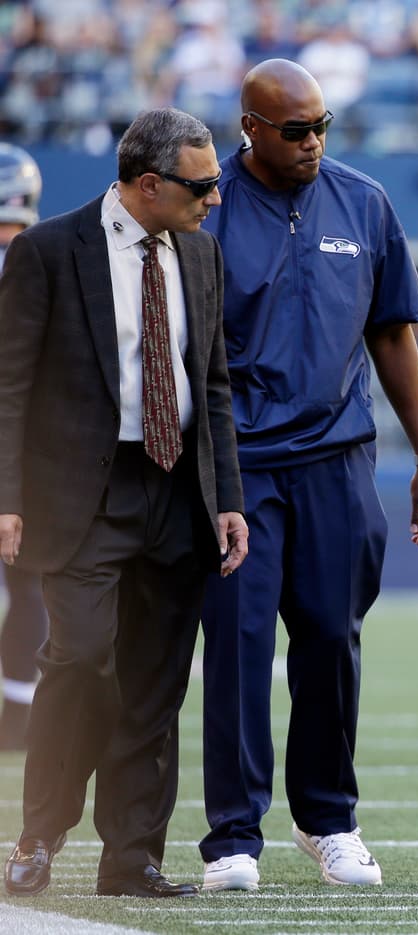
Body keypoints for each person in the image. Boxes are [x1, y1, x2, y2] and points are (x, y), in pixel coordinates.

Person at [197, 59, 418, 893]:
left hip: (340, 460)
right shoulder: (209, 209)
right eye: (295, 130)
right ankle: (234, 834)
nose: (313, 143)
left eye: (322, 126)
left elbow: (393, 337)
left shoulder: (364, 201)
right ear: (250, 130)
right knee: (237, 643)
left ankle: (329, 818)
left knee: (333, 643)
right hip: (240, 466)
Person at [0, 107, 248, 898]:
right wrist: (5, 495)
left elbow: (212, 385)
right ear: (150, 184)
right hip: (81, 492)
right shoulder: (45, 251)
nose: (216, 198)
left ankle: (131, 855)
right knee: (77, 656)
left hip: (178, 492)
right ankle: (40, 832)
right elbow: (8, 385)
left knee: (157, 680)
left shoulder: (203, 256)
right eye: (203, 185)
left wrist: (227, 498)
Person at [0, 142, 49, 751]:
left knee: (31, 588)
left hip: (22, 451)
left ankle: (17, 712)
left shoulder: (37, 264)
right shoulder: (49, 261)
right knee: (31, 587)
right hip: (31, 455)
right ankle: (18, 716)